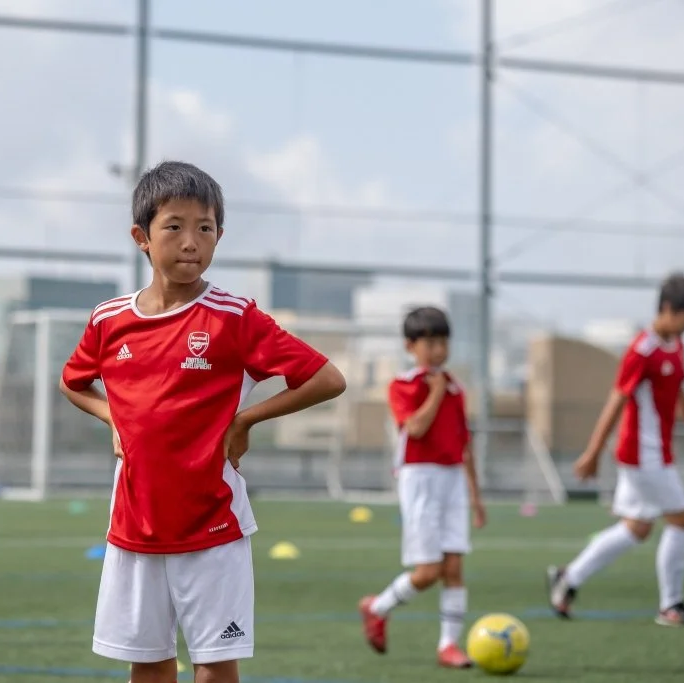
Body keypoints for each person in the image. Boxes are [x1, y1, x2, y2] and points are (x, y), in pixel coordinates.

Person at [60, 160, 346, 683]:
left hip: (213, 526)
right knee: (147, 667)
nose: (191, 241)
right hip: (132, 528)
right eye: (174, 226)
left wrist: (247, 420)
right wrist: (114, 420)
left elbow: (327, 379)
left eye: (206, 228)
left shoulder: (234, 317)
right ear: (140, 237)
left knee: (214, 669)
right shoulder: (109, 320)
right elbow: (74, 382)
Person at [547, 272, 684, 626]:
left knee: (637, 528)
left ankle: (568, 578)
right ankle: (671, 605)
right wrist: (592, 452)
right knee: (683, 520)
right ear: (667, 308)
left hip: (656, 453)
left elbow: (678, 392)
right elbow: (616, 400)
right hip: (641, 454)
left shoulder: (675, 346)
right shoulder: (641, 351)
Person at [359, 306, 485, 669]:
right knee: (429, 571)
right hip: (420, 480)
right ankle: (378, 607)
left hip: (452, 482)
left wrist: (476, 496)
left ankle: (448, 646)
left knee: (455, 568)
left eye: (443, 341)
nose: (438, 350)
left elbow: (464, 445)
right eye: (430, 342)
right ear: (410, 346)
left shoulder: (456, 389)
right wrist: (434, 393)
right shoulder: (403, 385)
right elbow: (413, 429)